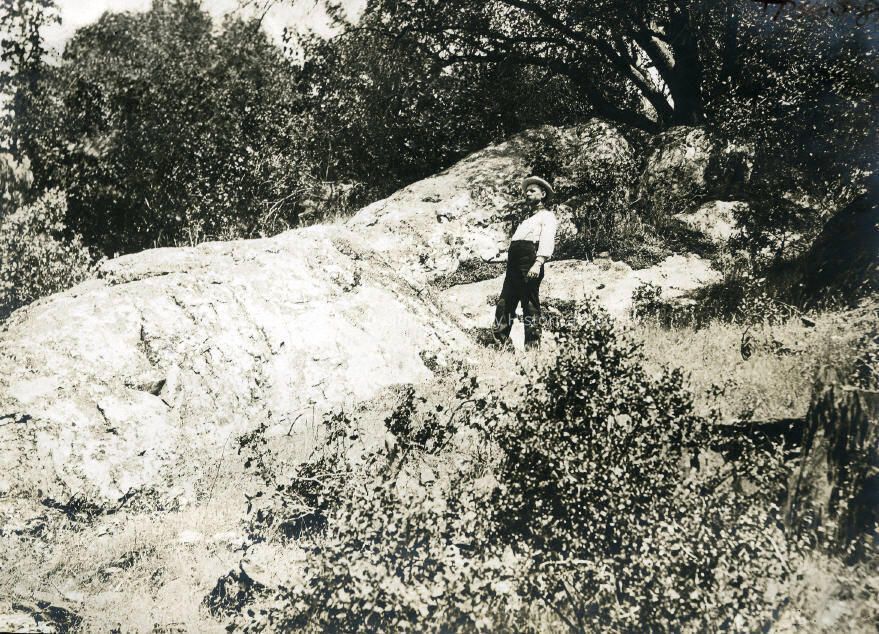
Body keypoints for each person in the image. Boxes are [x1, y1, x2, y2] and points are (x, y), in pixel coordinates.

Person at [492, 176, 557, 350]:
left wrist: (538, 263)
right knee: (505, 302)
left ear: (543, 194)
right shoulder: (526, 219)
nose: (527, 194)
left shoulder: (547, 216)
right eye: (526, 191)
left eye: (532, 191)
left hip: (529, 262)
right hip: (514, 265)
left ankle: (532, 347)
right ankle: (500, 344)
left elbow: (547, 240)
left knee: (529, 304)